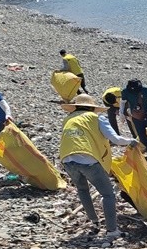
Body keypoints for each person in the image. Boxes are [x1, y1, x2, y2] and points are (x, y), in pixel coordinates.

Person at [58, 94, 138, 241]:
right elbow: (115, 139)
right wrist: (131, 141)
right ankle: (112, 231)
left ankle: (94, 222)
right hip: (88, 159)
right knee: (108, 194)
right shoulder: (96, 118)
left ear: (76, 107)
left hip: (67, 159)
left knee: (82, 190)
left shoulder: (68, 119)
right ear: (92, 108)